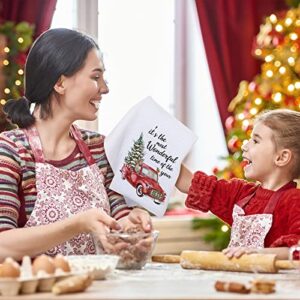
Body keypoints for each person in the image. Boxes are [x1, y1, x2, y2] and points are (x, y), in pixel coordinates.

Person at [0, 28, 152, 262]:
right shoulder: (11, 151)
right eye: (95, 77)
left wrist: (132, 230)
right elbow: (3, 246)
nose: (105, 88)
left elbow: (119, 219)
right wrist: (77, 224)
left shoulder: (98, 147)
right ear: (60, 83)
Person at [176, 109, 300, 260]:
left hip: (270, 284)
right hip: (238, 282)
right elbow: (190, 183)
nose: (244, 146)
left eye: (255, 140)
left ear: (282, 157)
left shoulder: (294, 201)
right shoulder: (240, 194)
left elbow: (297, 250)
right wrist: (159, 154)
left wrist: (258, 254)